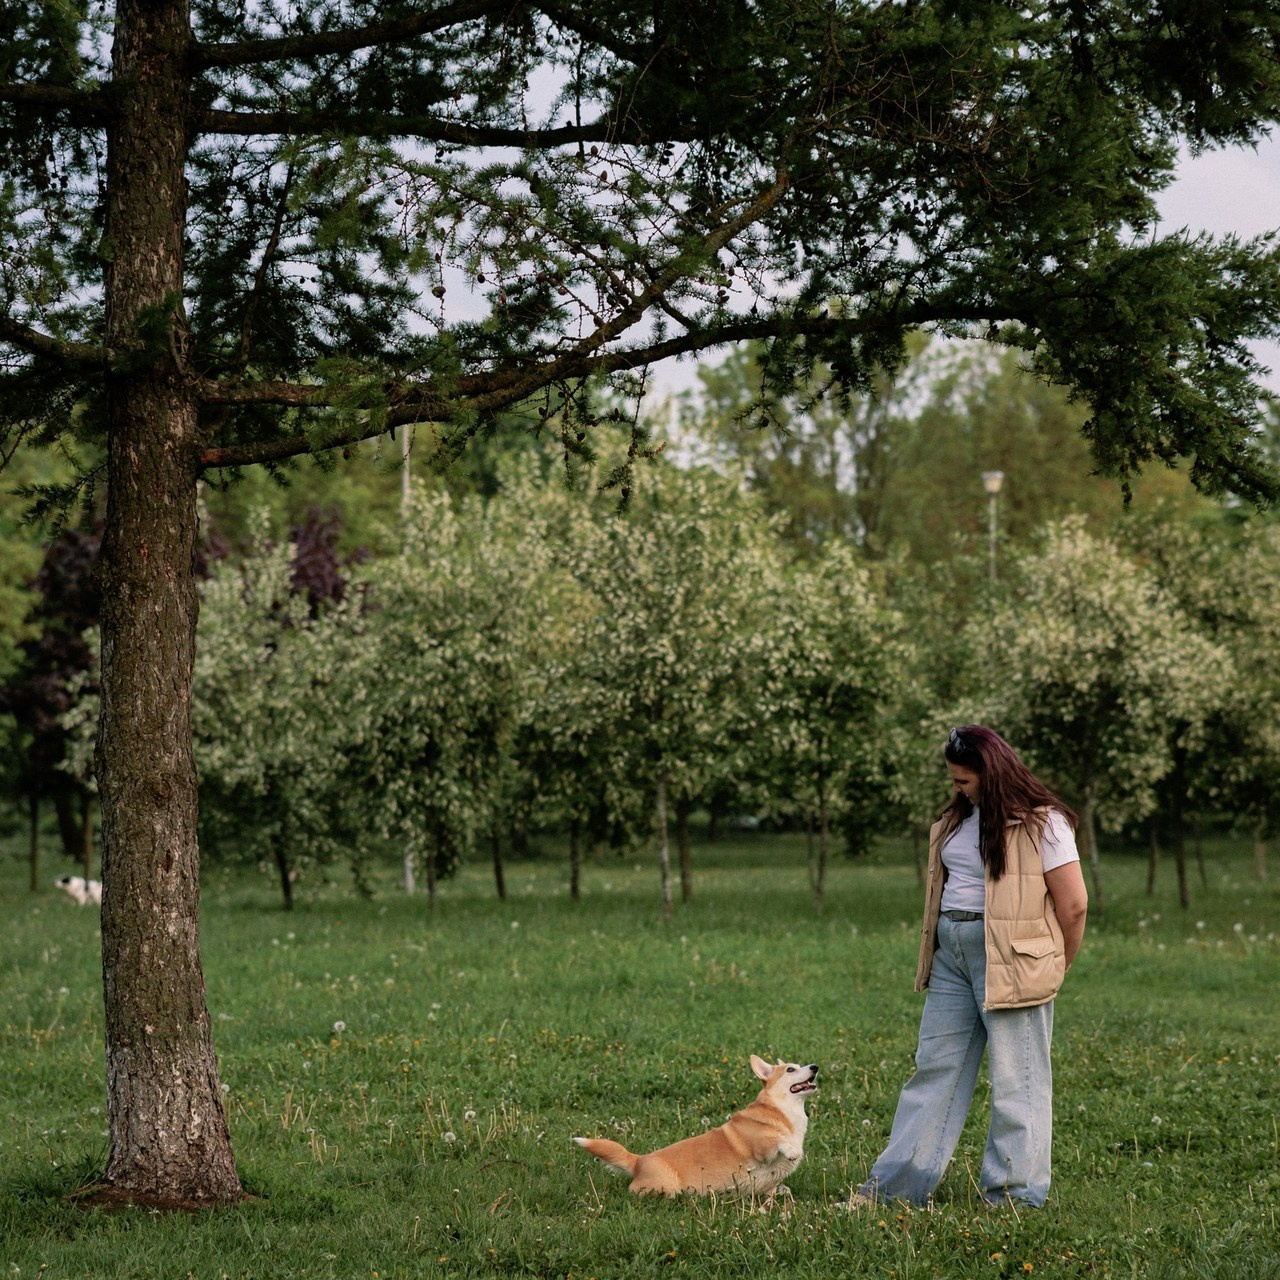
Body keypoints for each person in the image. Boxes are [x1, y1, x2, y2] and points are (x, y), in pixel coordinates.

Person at [850, 724, 1088, 1210]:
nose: (956, 789)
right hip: (953, 953)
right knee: (934, 1069)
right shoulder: (959, 819)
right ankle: (895, 1191)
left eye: (964, 781)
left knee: (1017, 1078)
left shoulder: (1045, 824)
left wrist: (1057, 965)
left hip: (1014, 956)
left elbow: (1075, 906)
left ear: (991, 772)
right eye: (954, 781)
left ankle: (1014, 1198)